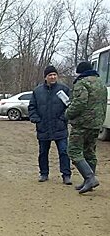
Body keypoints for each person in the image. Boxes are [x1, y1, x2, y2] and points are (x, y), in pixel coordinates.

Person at [66, 61, 108, 194]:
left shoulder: (82, 83)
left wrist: (68, 113)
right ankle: (88, 180)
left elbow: (80, 102)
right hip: (97, 124)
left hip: (82, 124)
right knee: (89, 151)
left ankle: (90, 178)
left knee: (74, 150)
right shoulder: (101, 83)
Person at [28, 65, 72, 185]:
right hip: (43, 127)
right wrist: (36, 119)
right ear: (45, 77)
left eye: (54, 75)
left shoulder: (64, 90)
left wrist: (63, 118)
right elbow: (32, 107)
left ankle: (66, 175)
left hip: (60, 127)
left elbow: (70, 107)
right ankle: (44, 173)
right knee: (43, 152)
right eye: (50, 75)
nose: (52, 77)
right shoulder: (37, 91)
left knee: (63, 152)